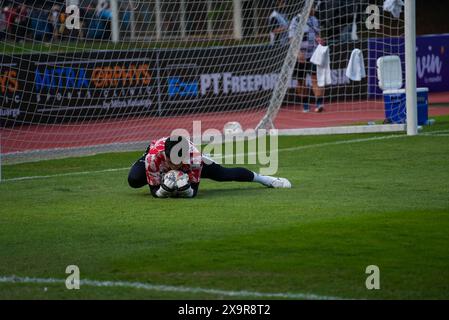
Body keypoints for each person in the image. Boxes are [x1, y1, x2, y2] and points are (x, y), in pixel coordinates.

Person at [128, 136, 292, 198]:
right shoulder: (153, 158)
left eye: (179, 161)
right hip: (154, 158)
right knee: (134, 180)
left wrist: (185, 190)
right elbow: (154, 193)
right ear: (166, 156)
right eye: (172, 162)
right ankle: (162, 175)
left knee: (223, 174)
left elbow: (194, 192)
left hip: (194, 161)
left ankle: (266, 179)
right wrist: (163, 189)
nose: (175, 165)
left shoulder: (194, 158)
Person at [289, 6, 325, 113]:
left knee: (315, 77)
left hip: (313, 54)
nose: (313, 10)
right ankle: (305, 104)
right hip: (300, 55)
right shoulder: (296, 20)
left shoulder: (314, 20)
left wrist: (319, 40)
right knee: (301, 81)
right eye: (311, 8)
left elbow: (318, 35)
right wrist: (297, 53)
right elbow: (291, 39)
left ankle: (319, 104)